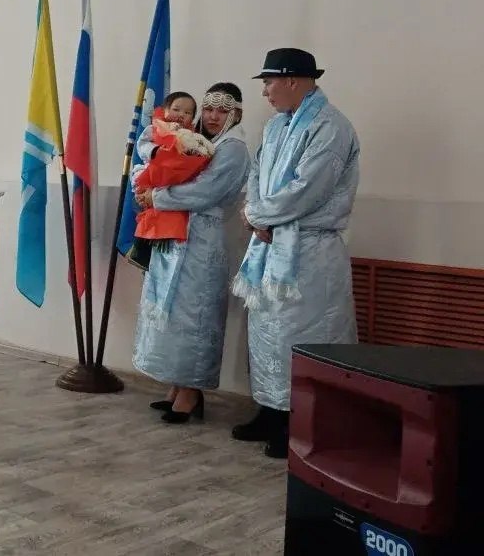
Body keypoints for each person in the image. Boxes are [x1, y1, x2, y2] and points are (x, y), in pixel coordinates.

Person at [231, 48, 360, 458]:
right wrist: (255, 214)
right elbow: (257, 174)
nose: (265, 92)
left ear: (291, 80)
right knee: (268, 335)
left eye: (269, 82)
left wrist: (257, 215)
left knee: (303, 336)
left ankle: (302, 424)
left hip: (310, 251)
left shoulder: (330, 127)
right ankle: (271, 411)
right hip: (270, 243)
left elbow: (309, 188)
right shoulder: (274, 127)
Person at [132, 83, 251, 423]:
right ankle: (176, 385)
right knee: (171, 311)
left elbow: (206, 191)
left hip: (202, 240)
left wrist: (158, 197)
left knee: (194, 314)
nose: (212, 116)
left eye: (222, 110)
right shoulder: (198, 141)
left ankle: (191, 391)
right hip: (177, 234)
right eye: (208, 109)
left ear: (236, 114)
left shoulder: (234, 148)